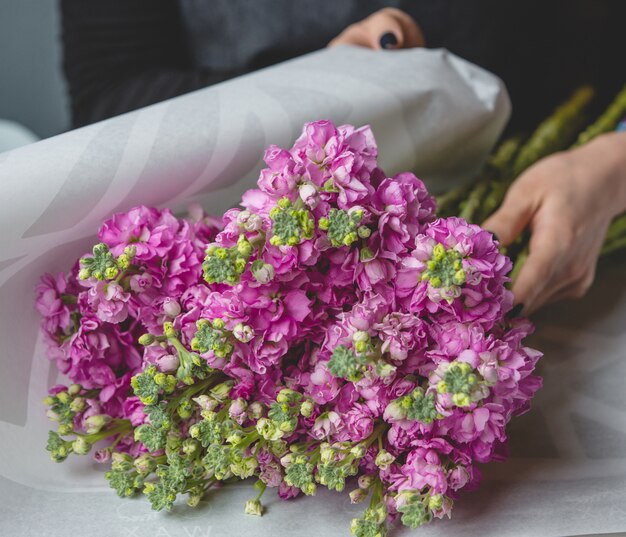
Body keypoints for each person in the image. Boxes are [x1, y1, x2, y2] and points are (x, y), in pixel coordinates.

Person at [60, 1, 626, 314]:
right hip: (260, 273)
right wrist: (311, 83)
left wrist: (614, 160)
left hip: (583, 250)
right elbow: (108, 101)